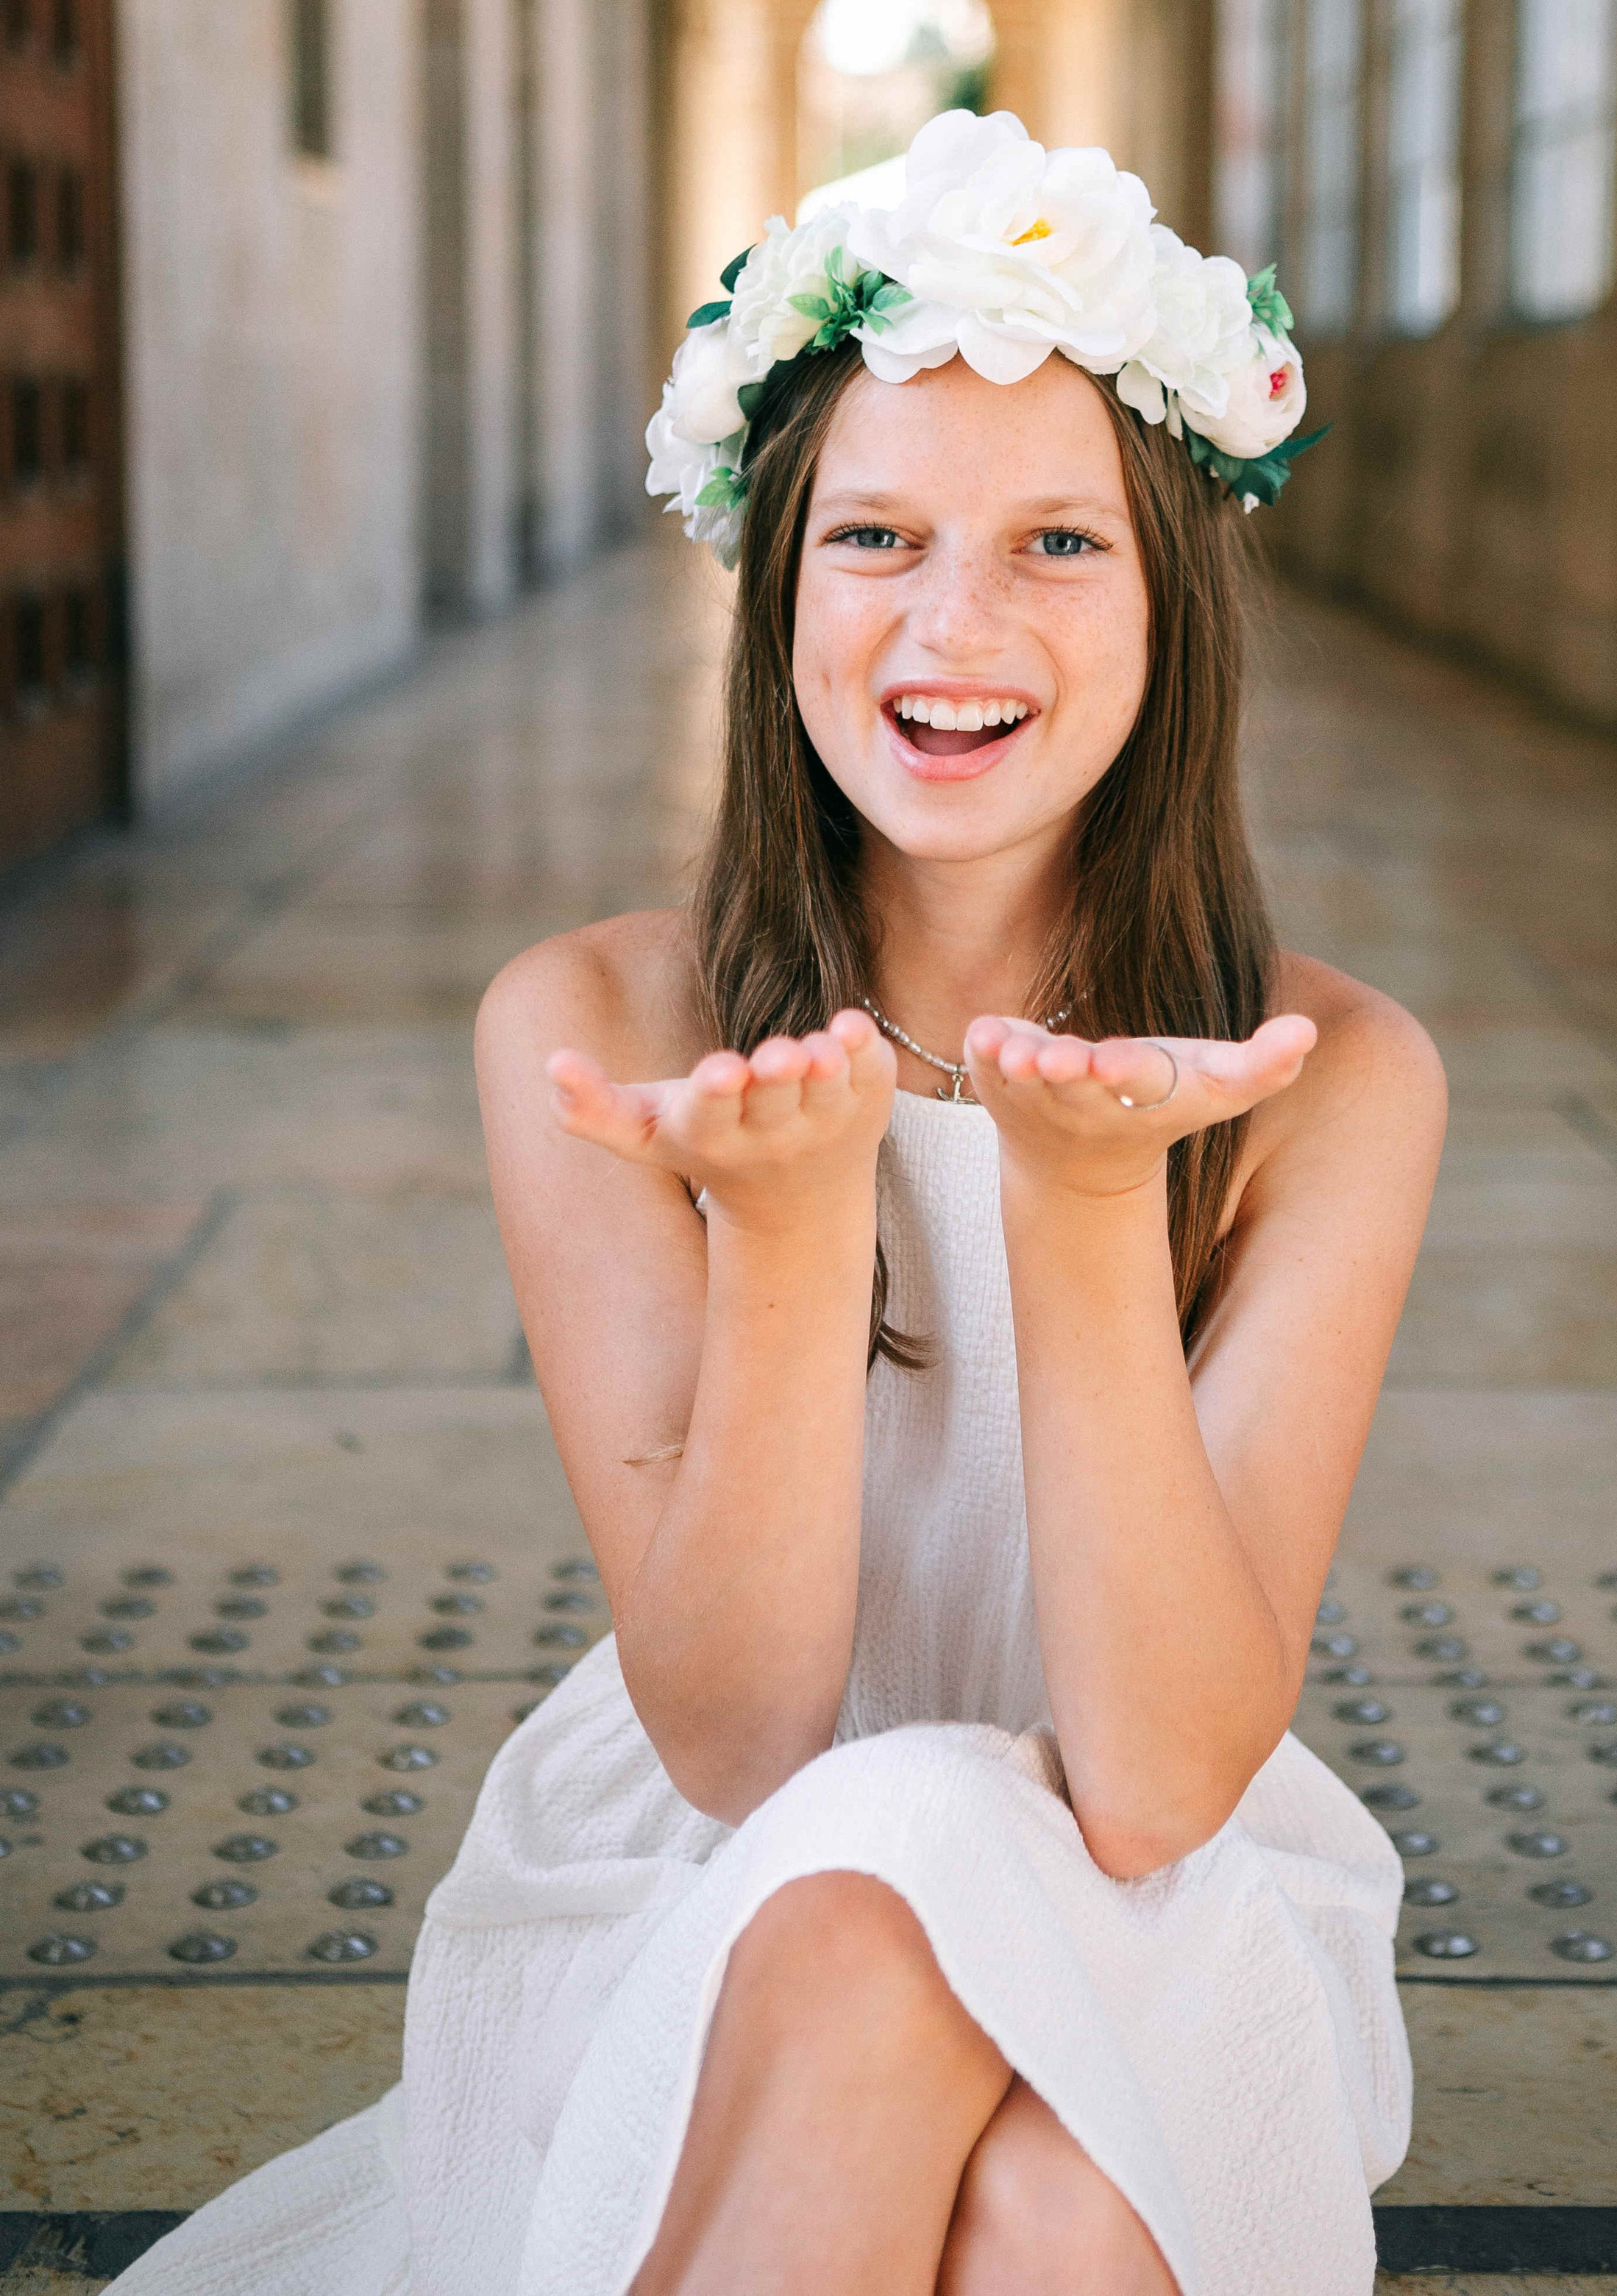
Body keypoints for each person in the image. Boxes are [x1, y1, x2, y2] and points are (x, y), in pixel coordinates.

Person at [113, 110, 1445, 2296]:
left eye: (1058, 542)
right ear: (777, 587)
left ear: (1175, 596)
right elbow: (741, 1742)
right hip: (702, 1882)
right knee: (909, 1942)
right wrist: (797, 1231)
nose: (953, 621)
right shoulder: (592, 1022)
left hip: (1165, 1891)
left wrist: (1089, 1211)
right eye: (876, 537)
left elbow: (1150, 1787)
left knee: (1057, 2187)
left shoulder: (1333, 1077)